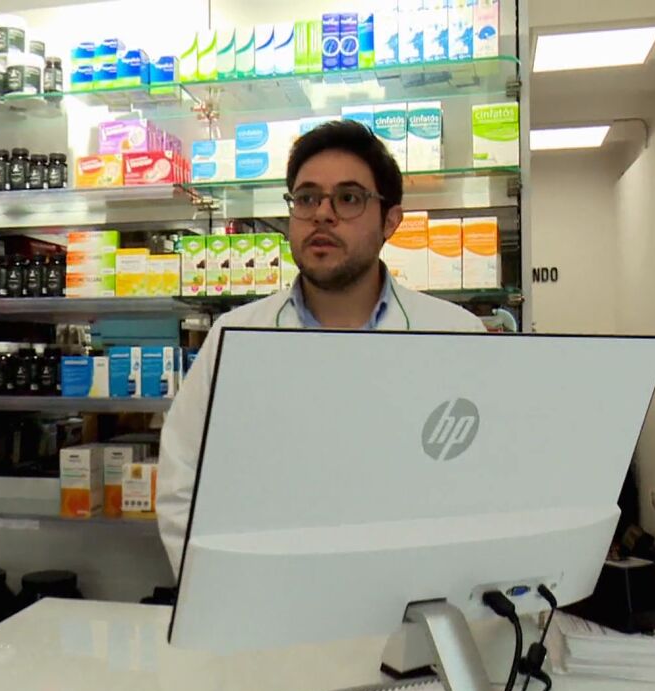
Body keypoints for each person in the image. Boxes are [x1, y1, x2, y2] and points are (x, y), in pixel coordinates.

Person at [157, 120, 487, 576]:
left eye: (348, 198)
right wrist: (225, 589)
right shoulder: (234, 337)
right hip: (271, 596)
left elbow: (483, 483)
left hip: (414, 597)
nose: (322, 215)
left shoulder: (456, 336)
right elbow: (181, 484)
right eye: (307, 198)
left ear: (390, 221)